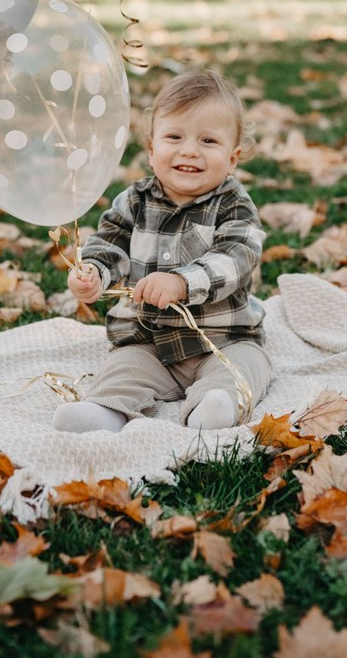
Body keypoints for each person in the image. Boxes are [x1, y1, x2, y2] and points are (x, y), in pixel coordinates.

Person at [52, 69, 271, 434]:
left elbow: (237, 256)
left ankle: (215, 406)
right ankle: (106, 410)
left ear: (232, 158)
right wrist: (93, 272)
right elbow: (109, 243)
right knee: (123, 369)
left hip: (222, 339)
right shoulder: (134, 201)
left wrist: (182, 282)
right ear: (152, 149)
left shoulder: (233, 204)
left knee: (245, 366)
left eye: (208, 141)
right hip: (148, 341)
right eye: (174, 137)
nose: (190, 150)